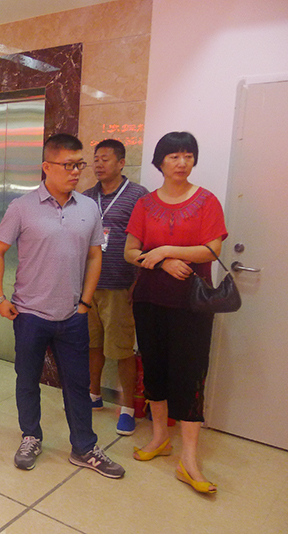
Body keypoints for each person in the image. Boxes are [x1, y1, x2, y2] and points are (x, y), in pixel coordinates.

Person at [0, 133, 125, 478]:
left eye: (80, 164)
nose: (76, 172)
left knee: (78, 384)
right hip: (30, 314)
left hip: (72, 315)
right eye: (68, 165)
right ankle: (30, 436)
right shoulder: (22, 207)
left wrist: (85, 302)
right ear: (47, 167)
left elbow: (95, 255)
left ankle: (84, 447)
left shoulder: (89, 207)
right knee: (27, 379)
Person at [124, 131, 226, 494]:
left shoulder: (206, 201)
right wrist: (162, 262)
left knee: (190, 374)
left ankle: (190, 459)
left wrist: (167, 250)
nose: (182, 163)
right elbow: (130, 251)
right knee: (155, 369)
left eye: (188, 156)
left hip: (192, 305)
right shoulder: (145, 204)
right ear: (160, 162)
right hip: (150, 300)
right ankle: (159, 438)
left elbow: (212, 249)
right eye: (174, 156)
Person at [82, 139, 148, 435]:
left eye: (105, 159)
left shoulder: (138, 196)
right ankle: (93, 395)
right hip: (89, 285)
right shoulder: (86, 197)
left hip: (120, 285)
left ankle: (127, 408)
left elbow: (147, 240)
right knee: (92, 344)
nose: (98, 164)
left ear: (121, 163)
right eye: (96, 159)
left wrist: (137, 282)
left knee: (121, 350)